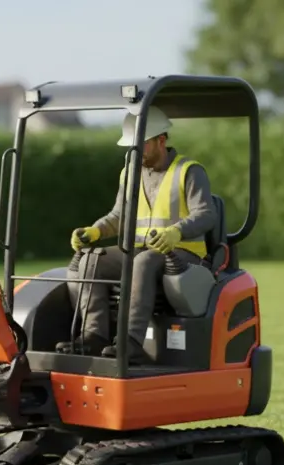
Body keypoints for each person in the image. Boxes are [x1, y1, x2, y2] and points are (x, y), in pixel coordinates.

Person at [67, 105, 215, 364]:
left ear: (161, 140)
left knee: (144, 262)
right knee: (93, 258)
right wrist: (95, 230)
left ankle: (131, 343)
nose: (134, 151)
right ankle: (94, 337)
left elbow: (205, 214)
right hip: (140, 252)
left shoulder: (189, 171)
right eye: (131, 145)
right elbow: (117, 217)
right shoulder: (130, 173)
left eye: (141, 144)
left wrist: (175, 232)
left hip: (183, 255)